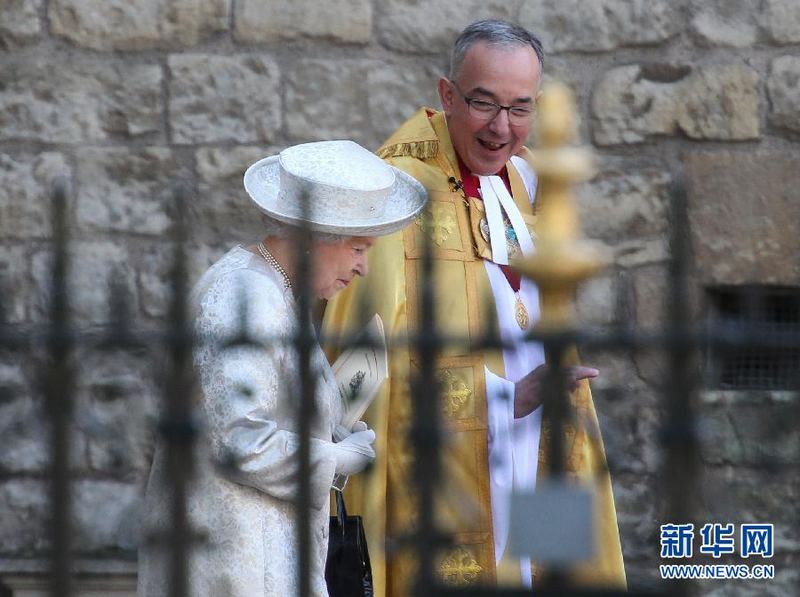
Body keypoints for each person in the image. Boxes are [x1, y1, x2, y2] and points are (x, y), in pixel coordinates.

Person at [322, 19, 626, 595]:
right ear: (446, 94)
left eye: (521, 108)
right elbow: (362, 379)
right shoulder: (393, 195)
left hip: (541, 444)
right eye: (484, 103)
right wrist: (508, 396)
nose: (502, 128)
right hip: (449, 469)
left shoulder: (526, 179)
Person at [137, 140, 427, 596]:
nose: (363, 269)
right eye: (357, 248)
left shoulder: (277, 291)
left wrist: (336, 435)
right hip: (236, 563)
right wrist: (333, 458)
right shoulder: (243, 295)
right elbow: (240, 442)